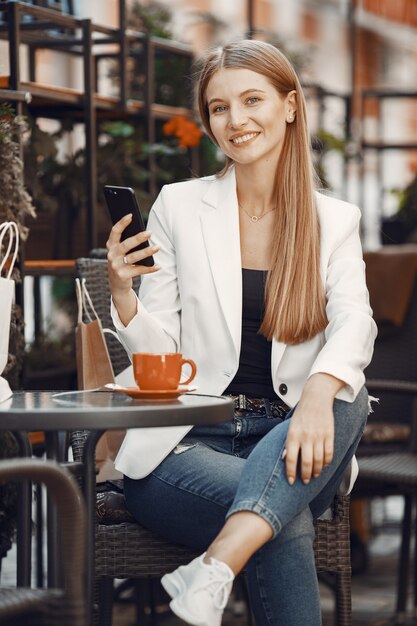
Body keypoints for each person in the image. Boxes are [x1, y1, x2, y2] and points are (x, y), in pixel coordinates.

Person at [106, 39, 377, 626]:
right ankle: (222, 564)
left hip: (292, 436)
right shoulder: (178, 207)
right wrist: (125, 297)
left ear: (289, 105)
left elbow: (356, 319)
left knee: (342, 390)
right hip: (188, 445)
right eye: (219, 107)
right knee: (286, 516)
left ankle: (215, 568)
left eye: (252, 100)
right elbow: (164, 358)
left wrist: (315, 396)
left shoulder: (334, 220)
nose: (236, 120)